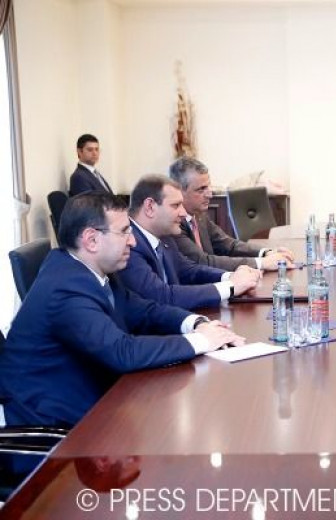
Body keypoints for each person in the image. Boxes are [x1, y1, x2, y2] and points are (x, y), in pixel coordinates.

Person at [0, 193, 245, 427]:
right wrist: (202, 341)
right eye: (124, 231)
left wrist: (197, 323)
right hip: (59, 425)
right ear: (91, 240)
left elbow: (145, 310)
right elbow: (121, 352)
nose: (133, 241)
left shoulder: (91, 270)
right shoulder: (65, 289)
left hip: (98, 400)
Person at [119, 175, 261, 310]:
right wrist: (231, 286)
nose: (183, 213)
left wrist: (230, 276)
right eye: (176, 205)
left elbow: (189, 270)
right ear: (150, 207)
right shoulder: (128, 245)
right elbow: (162, 296)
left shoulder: (164, 235)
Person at [168, 157, 294, 270]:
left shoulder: (199, 215)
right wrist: (261, 263)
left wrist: (266, 252)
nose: (209, 194)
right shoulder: (173, 224)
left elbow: (229, 245)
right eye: (201, 189)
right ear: (179, 190)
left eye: (208, 187)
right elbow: (203, 262)